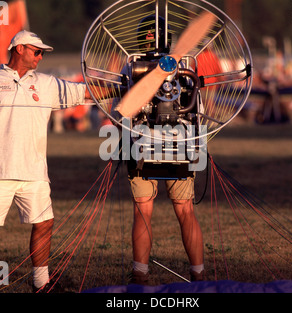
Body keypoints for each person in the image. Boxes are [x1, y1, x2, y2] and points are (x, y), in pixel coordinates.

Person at [0, 30, 100, 293]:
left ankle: (41, 283)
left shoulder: (46, 83)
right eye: (36, 51)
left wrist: (130, 86)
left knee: (44, 223)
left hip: (34, 170)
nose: (40, 57)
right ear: (19, 49)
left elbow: (86, 92)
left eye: (42, 53)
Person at [128, 16, 205, 285]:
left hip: (141, 143)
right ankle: (198, 274)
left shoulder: (133, 68)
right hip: (180, 143)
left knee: (143, 209)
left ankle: (140, 274)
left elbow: (124, 110)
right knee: (185, 210)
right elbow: (198, 111)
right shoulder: (184, 68)